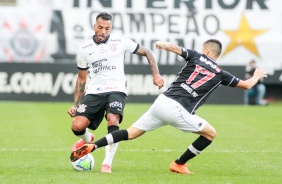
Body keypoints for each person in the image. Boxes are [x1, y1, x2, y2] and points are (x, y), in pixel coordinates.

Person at [70, 39, 267, 174]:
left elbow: (176, 48)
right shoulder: (221, 73)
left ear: (206, 50)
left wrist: (163, 45)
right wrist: (257, 75)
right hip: (178, 110)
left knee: (130, 133)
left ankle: (93, 145)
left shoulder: (196, 56)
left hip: (161, 102)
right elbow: (247, 84)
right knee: (210, 134)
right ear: (215, 54)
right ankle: (179, 164)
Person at [67, 12, 164, 173]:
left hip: (116, 89)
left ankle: (107, 163)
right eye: (100, 27)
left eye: (107, 28)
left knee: (113, 120)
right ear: (94, 26)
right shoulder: (84, 49)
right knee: (77, 126)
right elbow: (81, 78)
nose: (103, 31)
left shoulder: (121, 42)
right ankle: (87, 139)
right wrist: (75, 104)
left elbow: (147, 51)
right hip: (94, 91)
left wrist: (156, 73)